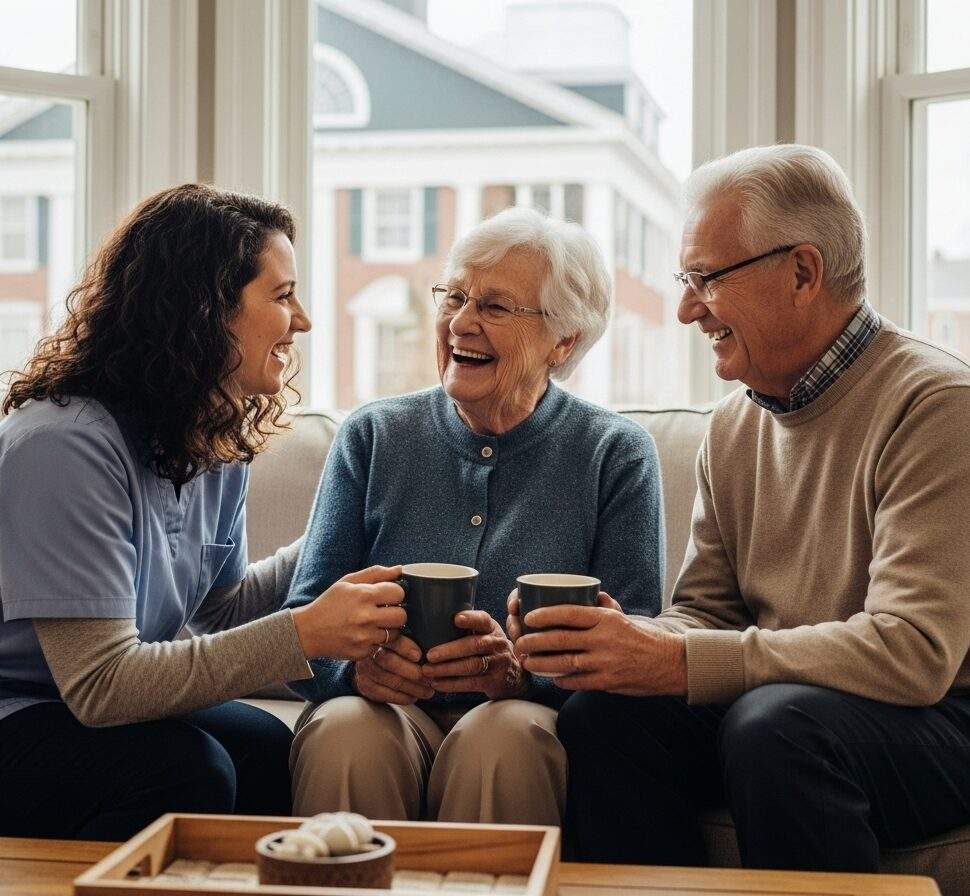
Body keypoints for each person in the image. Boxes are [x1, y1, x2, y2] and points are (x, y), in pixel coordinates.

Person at [517, 144, 970, 871]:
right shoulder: (736, 424)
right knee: (605, 716)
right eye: (684, 280)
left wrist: (684, 658)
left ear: (802, 271)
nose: (687, 308)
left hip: (937, 714)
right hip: (792, 705)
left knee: (775, 727)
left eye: (706, 279)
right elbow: (708, 613)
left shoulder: (936, 406)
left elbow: (912, 653)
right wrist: (620, 642)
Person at [0, 184, 406, 840]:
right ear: (204, 309)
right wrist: (305, 633)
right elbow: (101, 685)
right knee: (188, 772)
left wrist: (357, 521)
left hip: (73, 707)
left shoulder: (207, 435)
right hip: (19, 712)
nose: (301, 319)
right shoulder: (61, 445)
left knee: (266, 749)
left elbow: (218, 610)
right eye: (281, 295)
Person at [285, 207, 665, 825]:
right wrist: (353, 673)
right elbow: (302, 615)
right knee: (346, 730)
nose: (461, 322)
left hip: (526, 712)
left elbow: (635, 639)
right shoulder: (373, 435)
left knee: (505, 741)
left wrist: (520, 681)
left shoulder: (614, 453)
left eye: (494, 306)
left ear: (563, 341)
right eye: (454, 296)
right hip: (384, 708)